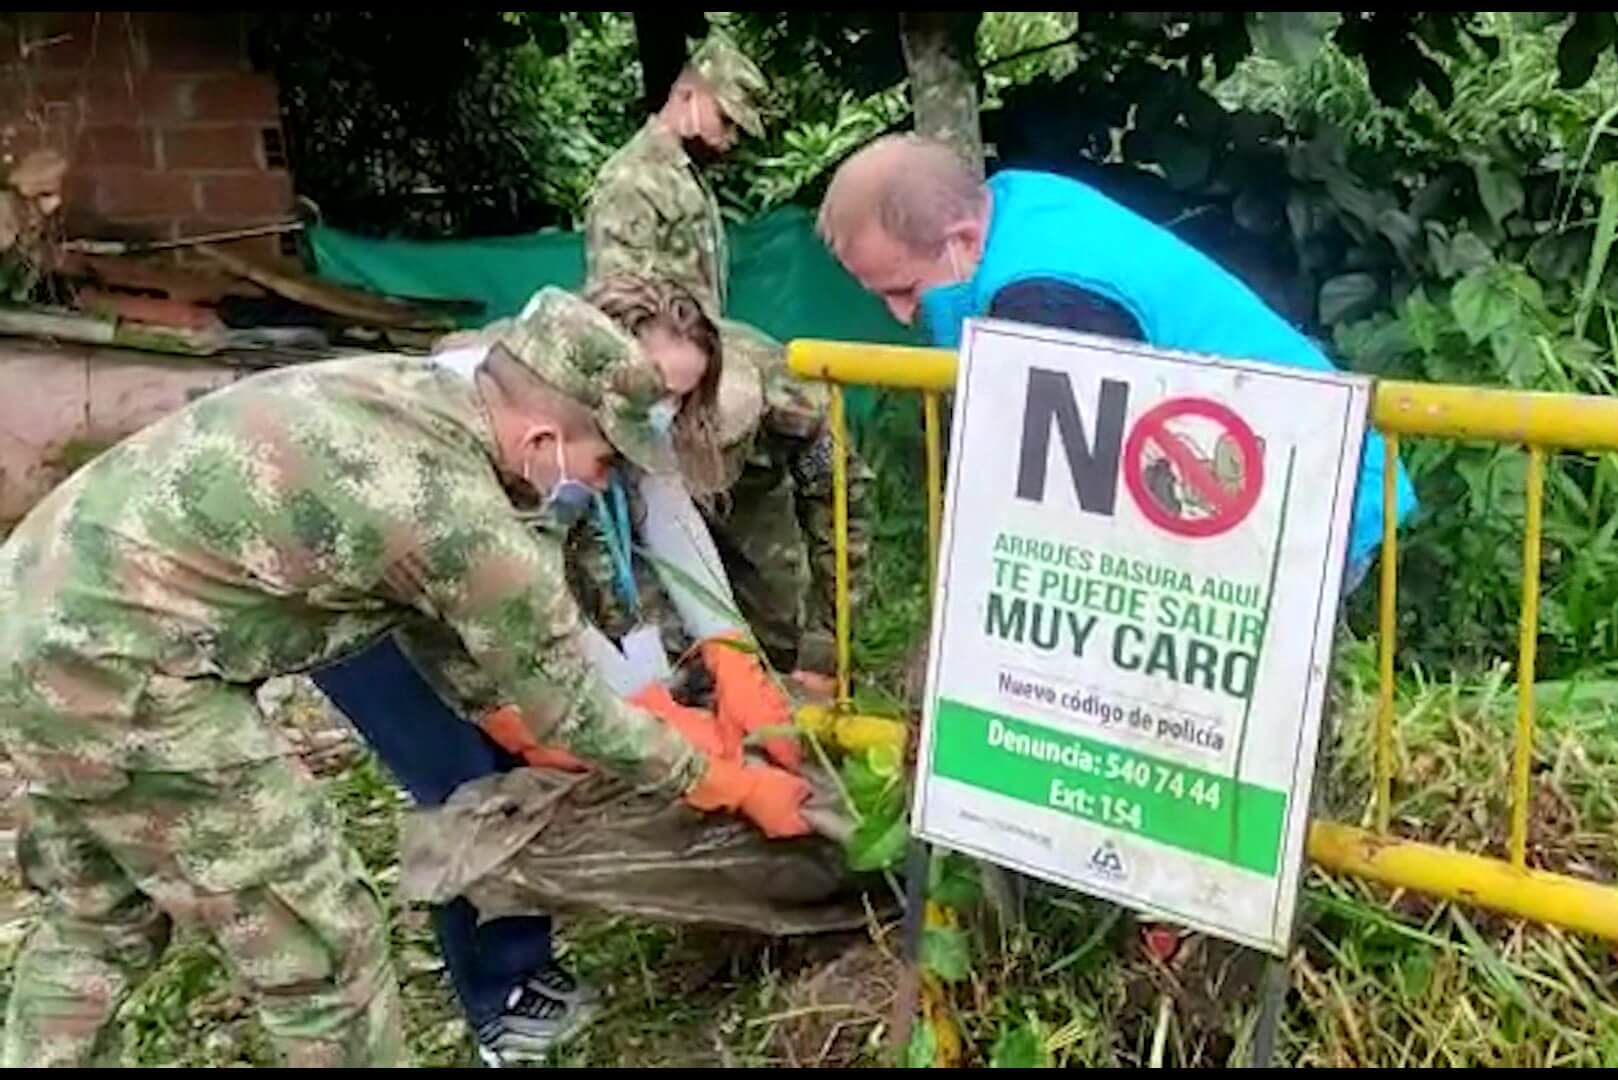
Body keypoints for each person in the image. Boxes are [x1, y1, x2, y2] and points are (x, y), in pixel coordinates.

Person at [0, 286, 815, 1068]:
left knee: (99, 918)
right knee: (325, 945)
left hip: (31, 618)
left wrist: (541, 708)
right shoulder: (461, 517)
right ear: (544, 441)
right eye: (604, 460)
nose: (604, 482)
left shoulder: (419, 400)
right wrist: (727, 782)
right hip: (122, 672)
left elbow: (436, 625)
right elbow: (571, 710)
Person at [308, 276, 803, 1067]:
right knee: (472, 781)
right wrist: (685, 741)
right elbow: (540, 633)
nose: (663, 417)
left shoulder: (591, 423)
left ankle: (522, 960)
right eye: (651, 398)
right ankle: (499, 998)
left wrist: (733, 656)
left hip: (465, 592)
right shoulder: (489, 442)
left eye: (678, 399)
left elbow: (664, 525)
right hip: (364, 616)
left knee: (541, 748)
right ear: (587, 371)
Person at [816, 134, 1418, 590]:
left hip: (1298, 501)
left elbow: (1076, 504)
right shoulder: (1017, 201)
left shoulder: (1041, 297)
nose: (901, 316)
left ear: (963, 239)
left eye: (905, 290)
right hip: (1270, 478)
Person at [585, 30, 873, 675]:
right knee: (673, 562)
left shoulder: (685, 177)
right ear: (689, 95)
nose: (732, 138)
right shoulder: (633, 182)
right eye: (726, 119)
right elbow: (621, 310)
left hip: (718, 388)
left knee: (766, 560)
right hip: (671, 399)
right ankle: (695, 688)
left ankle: (770, 674)